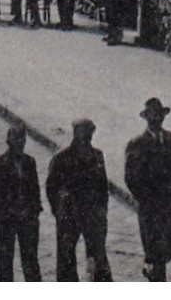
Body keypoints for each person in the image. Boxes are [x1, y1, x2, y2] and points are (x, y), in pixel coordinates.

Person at [124, 97, 171, 281]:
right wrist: (146, 199)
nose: (156, 120)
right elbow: (131, 178)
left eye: (159, 116)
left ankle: (154, 273)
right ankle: (155, 276)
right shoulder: (137, 144)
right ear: (147, 118)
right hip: (151, 206)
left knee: (166, 250)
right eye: (153, 116)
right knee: (155, 251)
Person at [47, 118, 113, 281]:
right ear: (75, 134)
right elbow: (51, 187)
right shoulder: (62, 158)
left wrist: (102, 210)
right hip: (69, 214)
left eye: (89, 134)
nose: (86, 138)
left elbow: (102, 186)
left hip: (92, 214)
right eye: (82, 134)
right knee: (66, 257)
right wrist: (58, 211)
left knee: (98, 255)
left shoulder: (97, 156)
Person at [0, 125, 42, 281]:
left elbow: (35, 191)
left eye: (22, 139)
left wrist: (34, 213)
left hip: (27, 219)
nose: (20, 143)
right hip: (7, 220)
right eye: (16, 139)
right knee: (4, 263)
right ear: (8, 141)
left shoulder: (30, 162)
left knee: (31, 262)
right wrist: (0, 217)